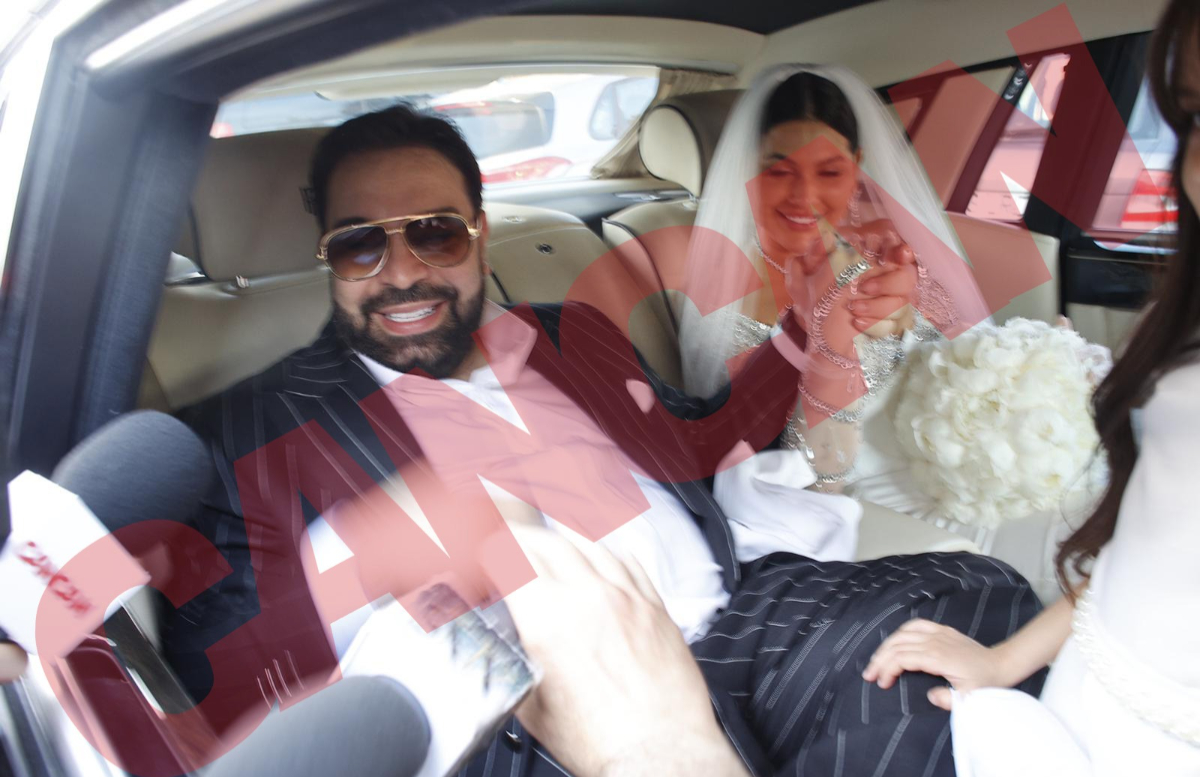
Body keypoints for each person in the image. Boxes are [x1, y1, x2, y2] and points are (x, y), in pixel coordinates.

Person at [164, 104, 1040, 776]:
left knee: (975, 605)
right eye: (361, 245)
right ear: (328, 257)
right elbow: (227, 691)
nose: (402, 273)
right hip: (539, 723)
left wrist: (817, 335)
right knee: (927, 724)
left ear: (479, 231)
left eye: (434, 232)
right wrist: (387, 551)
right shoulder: (241, 432)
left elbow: (696, 442)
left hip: (740, 623)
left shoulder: (566, 330)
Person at [864, 2, 1200, 772]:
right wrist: (1006, 660)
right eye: (1199, 117)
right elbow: (1133, 545)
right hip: (1082, 690)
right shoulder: (1180, 324)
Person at [679, 65, 971, 516]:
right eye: (779, 169)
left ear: (857, 163)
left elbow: (964, 366)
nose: (805, 195)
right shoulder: (724, 283)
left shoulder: (893, 253)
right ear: (749, 167)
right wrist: (827, 333)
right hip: (820, 512)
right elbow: (771, 462)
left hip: (938, 480)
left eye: (830, 171)